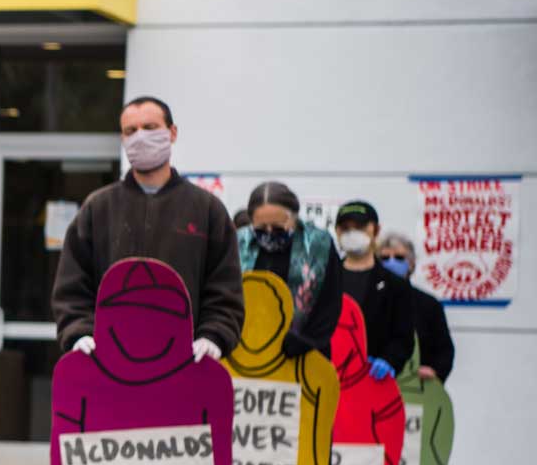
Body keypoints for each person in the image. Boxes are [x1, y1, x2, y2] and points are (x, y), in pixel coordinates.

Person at [52, 96, 243, 361]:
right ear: (122, 139)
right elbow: (72, 286)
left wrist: (214, 335)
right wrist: (78, 332)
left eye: (150, 127)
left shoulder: (207, 210)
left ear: (172, 133)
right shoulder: (98, 209)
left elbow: (224, 288)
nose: (140, 137)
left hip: (185, 366)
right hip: (109, 367)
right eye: (131, 131)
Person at [235, 181, 340, 358]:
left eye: (277, 227)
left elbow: (331, 301)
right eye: (261, 228)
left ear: (294, 218)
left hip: (304, 349)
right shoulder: (237, 243)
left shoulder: (319, 245)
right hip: (245, 347)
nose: (269, 232)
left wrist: (304, 341)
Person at [332, 200, 416, 382]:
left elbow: (403, 339)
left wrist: (389, 360)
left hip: (373, 382)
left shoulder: (396, 286)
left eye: (360, 227)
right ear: (337, 232)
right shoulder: (325, 280)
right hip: (330, 379)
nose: (352, 233)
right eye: (345, 228)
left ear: (376, 230)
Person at [376, 229, 453, 381]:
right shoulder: (369, 298)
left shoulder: (429, 305)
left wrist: (435, 370)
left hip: (415, 387)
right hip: (375, 384)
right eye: (385, 258)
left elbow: (444, 350)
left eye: (399, 258)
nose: (391, 262)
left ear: (411, 264)